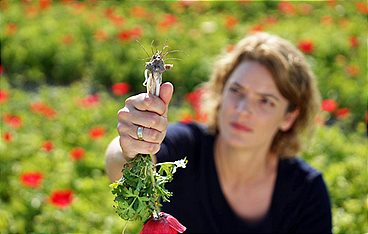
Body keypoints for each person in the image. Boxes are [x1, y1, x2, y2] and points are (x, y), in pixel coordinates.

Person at [105, 32, 332, 233]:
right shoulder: (188, 146)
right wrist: (131, 145)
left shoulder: (306, 193)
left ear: (288, 117)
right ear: (221, 91)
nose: (242, 110)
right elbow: (118, 165)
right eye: (236, 90)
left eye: (265, 101)